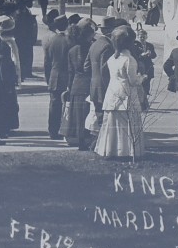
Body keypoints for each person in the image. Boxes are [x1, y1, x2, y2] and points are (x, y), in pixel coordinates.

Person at [94, 27, 147, 160]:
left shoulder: (113, 58)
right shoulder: (129, 59)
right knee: (127, 124)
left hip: (113, 92)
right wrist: (142, 77)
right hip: (126, 93)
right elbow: (133, 81)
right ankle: (126, 151)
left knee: (112, 124)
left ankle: (111, 150)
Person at [65, 21, 97, 150]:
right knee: (88, 115)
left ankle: (80, 141)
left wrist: (69, 87)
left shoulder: (72, 50)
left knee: (78, 116)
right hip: (88, 84)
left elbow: (70, 72)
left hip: (76, 85)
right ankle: (88, 141)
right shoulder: (92, 48)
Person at [0, 17, 21, 140]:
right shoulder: (10, 44)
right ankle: (4, 127)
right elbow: (15, 62)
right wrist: (16, 78)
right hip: (4, 81)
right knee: (5, 104)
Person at [42, 11, 71, 140]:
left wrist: (48, 78)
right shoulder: (69, 41)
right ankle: (61, 129)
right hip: (65, 75)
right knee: (64, 104)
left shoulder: (51, 40)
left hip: (54, 75)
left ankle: (52, 130)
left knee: (54, 104)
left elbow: (46, 62)